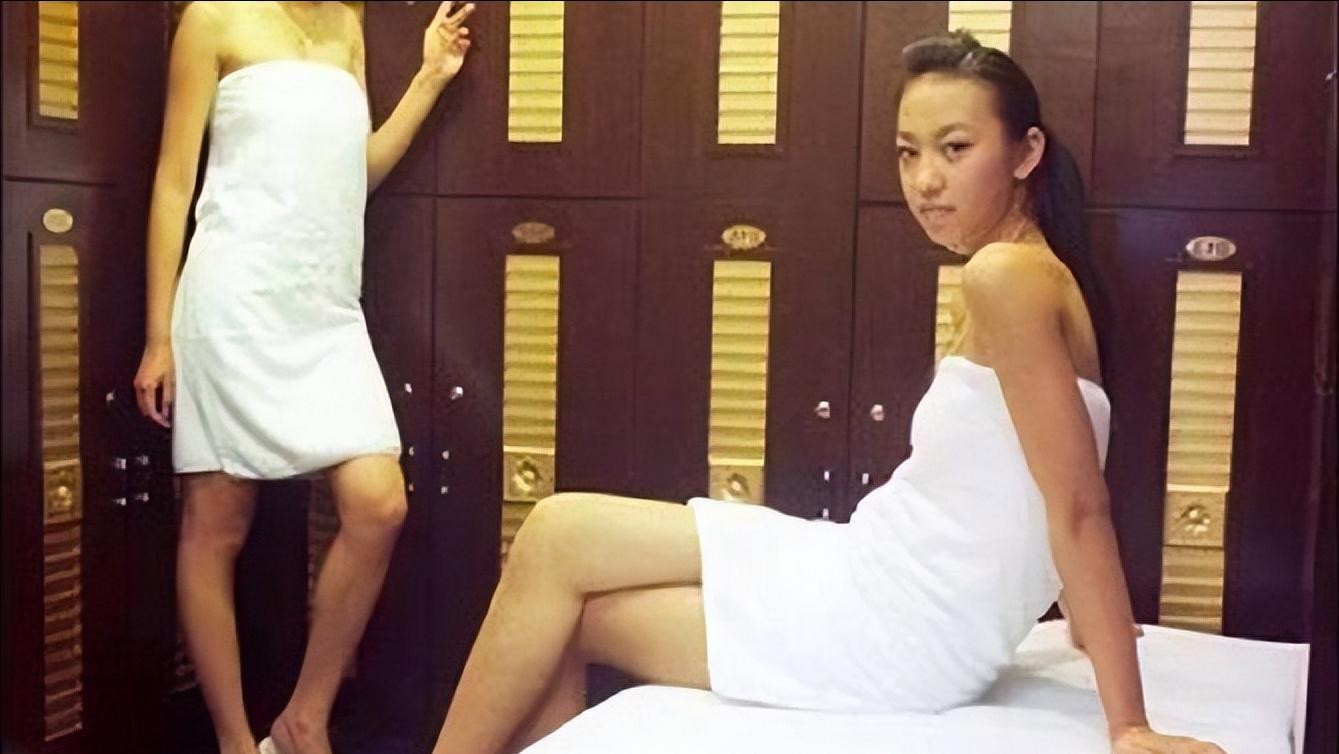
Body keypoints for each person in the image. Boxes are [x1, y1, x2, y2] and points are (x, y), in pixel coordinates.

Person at [428, 31, 1228, 754]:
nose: (925, 180)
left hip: (896, 629)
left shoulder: (1005, 276)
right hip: (867, 570)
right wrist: (1086, 625)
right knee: (562, 559)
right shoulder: (1032, 272)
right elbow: (1040, 485)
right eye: (907, 153)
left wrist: (1127, 725)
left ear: (1025, 154)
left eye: (955, 148)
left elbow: (1077, 504)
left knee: (559, 551)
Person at [131, 2, 474, 753]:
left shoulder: (347, 25)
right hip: (232, 301)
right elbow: (172, 184)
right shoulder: (213, 19)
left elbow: (357, 173)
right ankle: (234, 741)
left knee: (378, 505)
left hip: (325, 311)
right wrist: (158, 336)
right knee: (215, 525)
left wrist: (428, 78)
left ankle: (302, 719)